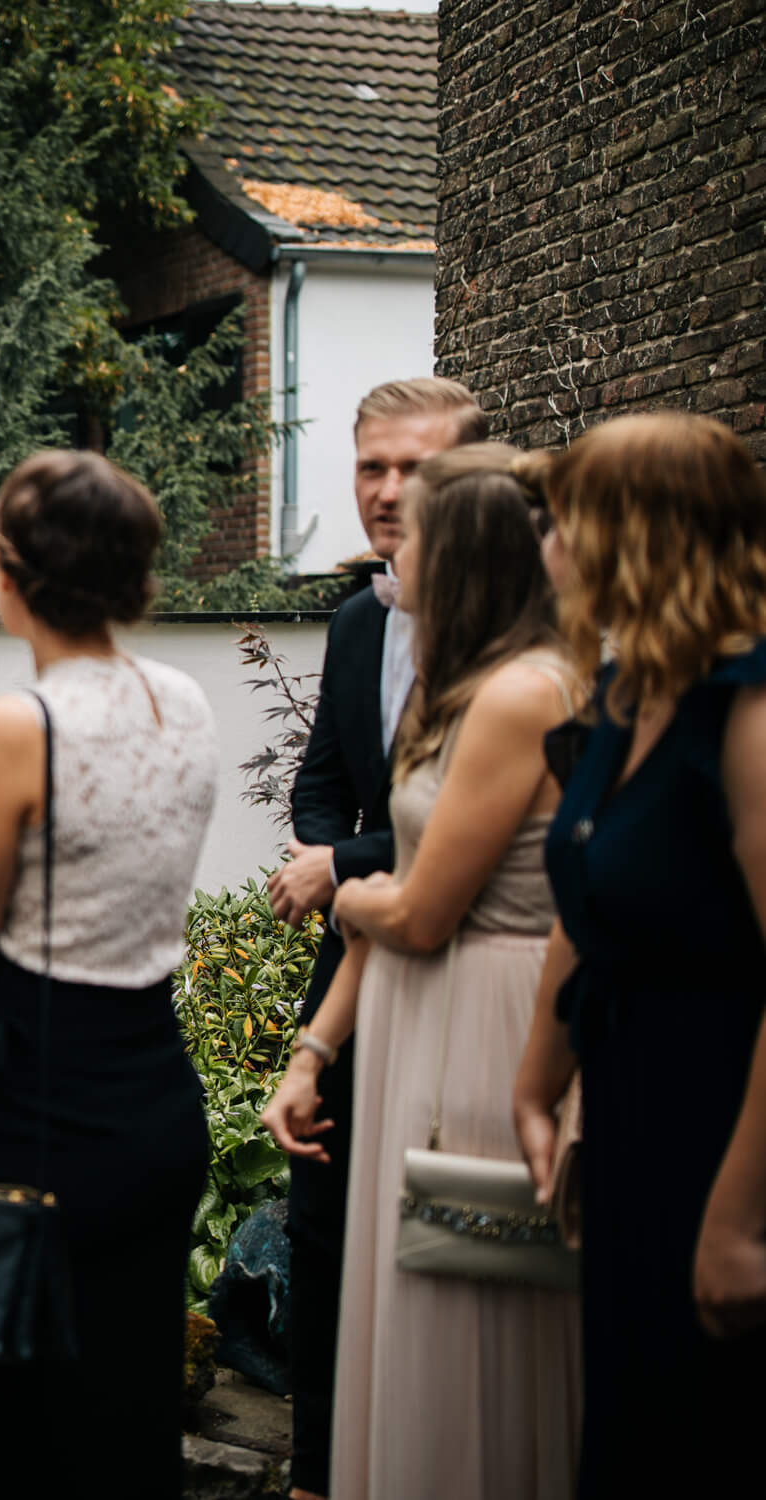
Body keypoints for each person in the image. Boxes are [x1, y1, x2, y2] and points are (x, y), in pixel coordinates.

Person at [0, 451, 216, 1497]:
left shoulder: (20, 732)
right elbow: (94, 805)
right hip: (153, 1086)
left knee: (22, 1430)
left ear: (10, 574)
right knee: (126, 1410)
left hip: (42, 1096)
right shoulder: (182, 699)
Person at [262, 445, 582, 1498]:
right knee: (405, 1299)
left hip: (479, 1024)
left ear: (467, 560)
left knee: (466, 1309)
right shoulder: (456, 694)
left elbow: (419, 906)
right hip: (406, 1012)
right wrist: (314, 1051)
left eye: (416, 553)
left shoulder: (524, 695)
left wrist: (345, 888)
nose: (393, 576)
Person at [510, 412, 766, 1495]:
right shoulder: (625, 697)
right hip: (629, 1114)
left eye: (565, 521)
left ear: (635, 536)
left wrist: (739, 1220)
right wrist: (537, 1085)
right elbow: (587, 904)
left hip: (725, 1123)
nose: (550, 546)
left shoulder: (746, 711)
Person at [264, 375, 486, 1499]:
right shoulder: (357, 621)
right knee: (320, 1219)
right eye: (371, 467)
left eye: (417, 467)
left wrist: (340, 866)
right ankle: (318, 1470)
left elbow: (478, 817)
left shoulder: (516, 629)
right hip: (351, 963)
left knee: (453, 1236)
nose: (389, 490)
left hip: (471, 969)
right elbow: (322, 781)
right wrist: (323, 855)